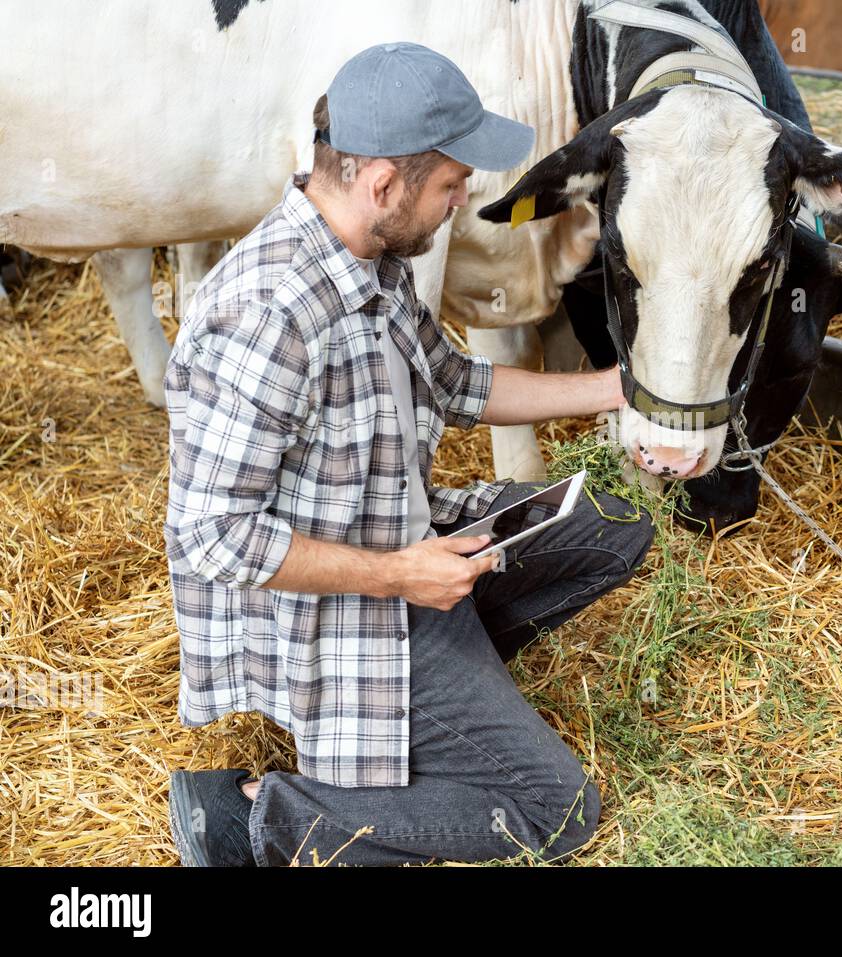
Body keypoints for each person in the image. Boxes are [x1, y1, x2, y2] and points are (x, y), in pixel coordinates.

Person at [162, 42, 655, 866]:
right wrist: (402, 577)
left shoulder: (373, 259)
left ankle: (440, 700)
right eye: (452, 187)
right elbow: (215, 536)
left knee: (611, 525)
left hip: (405, 543)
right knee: (559, 809)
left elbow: (456, 383)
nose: (460, 206)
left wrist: (617, 390)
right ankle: (251, 815)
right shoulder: (271, 312)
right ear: (383, 183)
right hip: (346, 611)